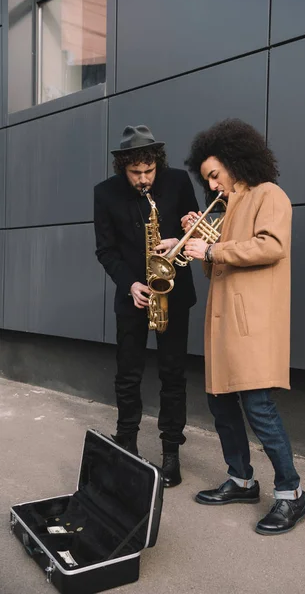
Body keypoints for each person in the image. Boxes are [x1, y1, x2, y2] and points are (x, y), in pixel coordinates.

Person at [182, 118, 305, 533]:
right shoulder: (226, 207)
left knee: (259, 408)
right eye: (207, 180)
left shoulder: (269, 194)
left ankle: (291, 494)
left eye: (215, 174)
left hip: (251, 325)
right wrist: (191, 242)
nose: (213, 185)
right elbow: (219, 267)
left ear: (235, 160)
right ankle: (241, 480)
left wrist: (213, 247)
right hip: (223, 328)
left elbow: (272, 246)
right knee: (221, 406)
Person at [94, 125, 199, 487]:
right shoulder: (105, 194)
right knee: (128, 374)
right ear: (123, 167)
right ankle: (127, 443)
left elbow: (195, 230)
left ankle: (171, 453)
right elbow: (105, 250)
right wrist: (131, 284)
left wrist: (178, 241)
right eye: (136, 172)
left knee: (173, 374)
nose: (144, 179)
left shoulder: (178, 181)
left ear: (157, 163)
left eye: (149, 171)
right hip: (134, 293)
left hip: (173, 291)